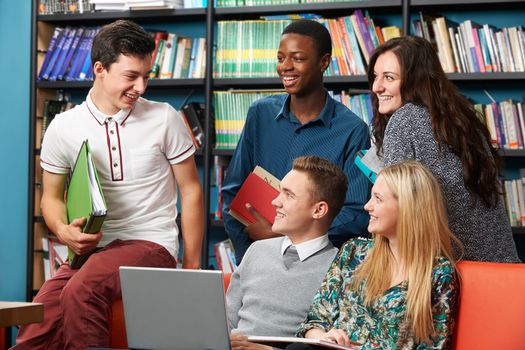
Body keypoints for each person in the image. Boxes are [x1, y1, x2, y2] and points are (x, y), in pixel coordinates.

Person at [13, 20, 204, 350]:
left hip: (151, 242)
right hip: (92, 249)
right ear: (99, 69)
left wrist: (191, 266)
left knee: (83, 290)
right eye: (131, 76)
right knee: (37, 323)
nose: (141, 86)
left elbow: (191, 190)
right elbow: (52, 197)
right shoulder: (63, 127)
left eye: (147, 76)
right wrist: (63, 229)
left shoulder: (165, 118)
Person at [222, 19, 371, 263]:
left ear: (324, 63)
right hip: (257, 256)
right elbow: (232, 192)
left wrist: (285, 241)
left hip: (316, 264)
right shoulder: (260, 114)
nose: (285, 67)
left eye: (298, 58)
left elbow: (355, 214)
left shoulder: (352, 130)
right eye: (281, 58)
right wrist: (250, 256)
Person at [368, 35, 519, 262]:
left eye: (389, 78)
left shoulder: (405, 120)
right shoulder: (462, 119)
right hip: (501, 269)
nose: (376, 87)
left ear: (415, 81)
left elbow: (394, 213)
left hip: (453, 273)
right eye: (375, 76)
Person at [291, 161, 460, 349]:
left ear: (408, 207)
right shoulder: (353, 252)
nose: (367, 206)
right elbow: (314, 322)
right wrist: (325, 337)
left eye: (378, 199)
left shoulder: (439, 273)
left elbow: (434, 346)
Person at [227, 156, 345, 350]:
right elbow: (226, 323)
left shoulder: (339, 268)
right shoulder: (257, 250)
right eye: (280, 191)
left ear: (319, 210)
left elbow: (327, 344)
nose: (275, 201)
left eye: (288, 195)